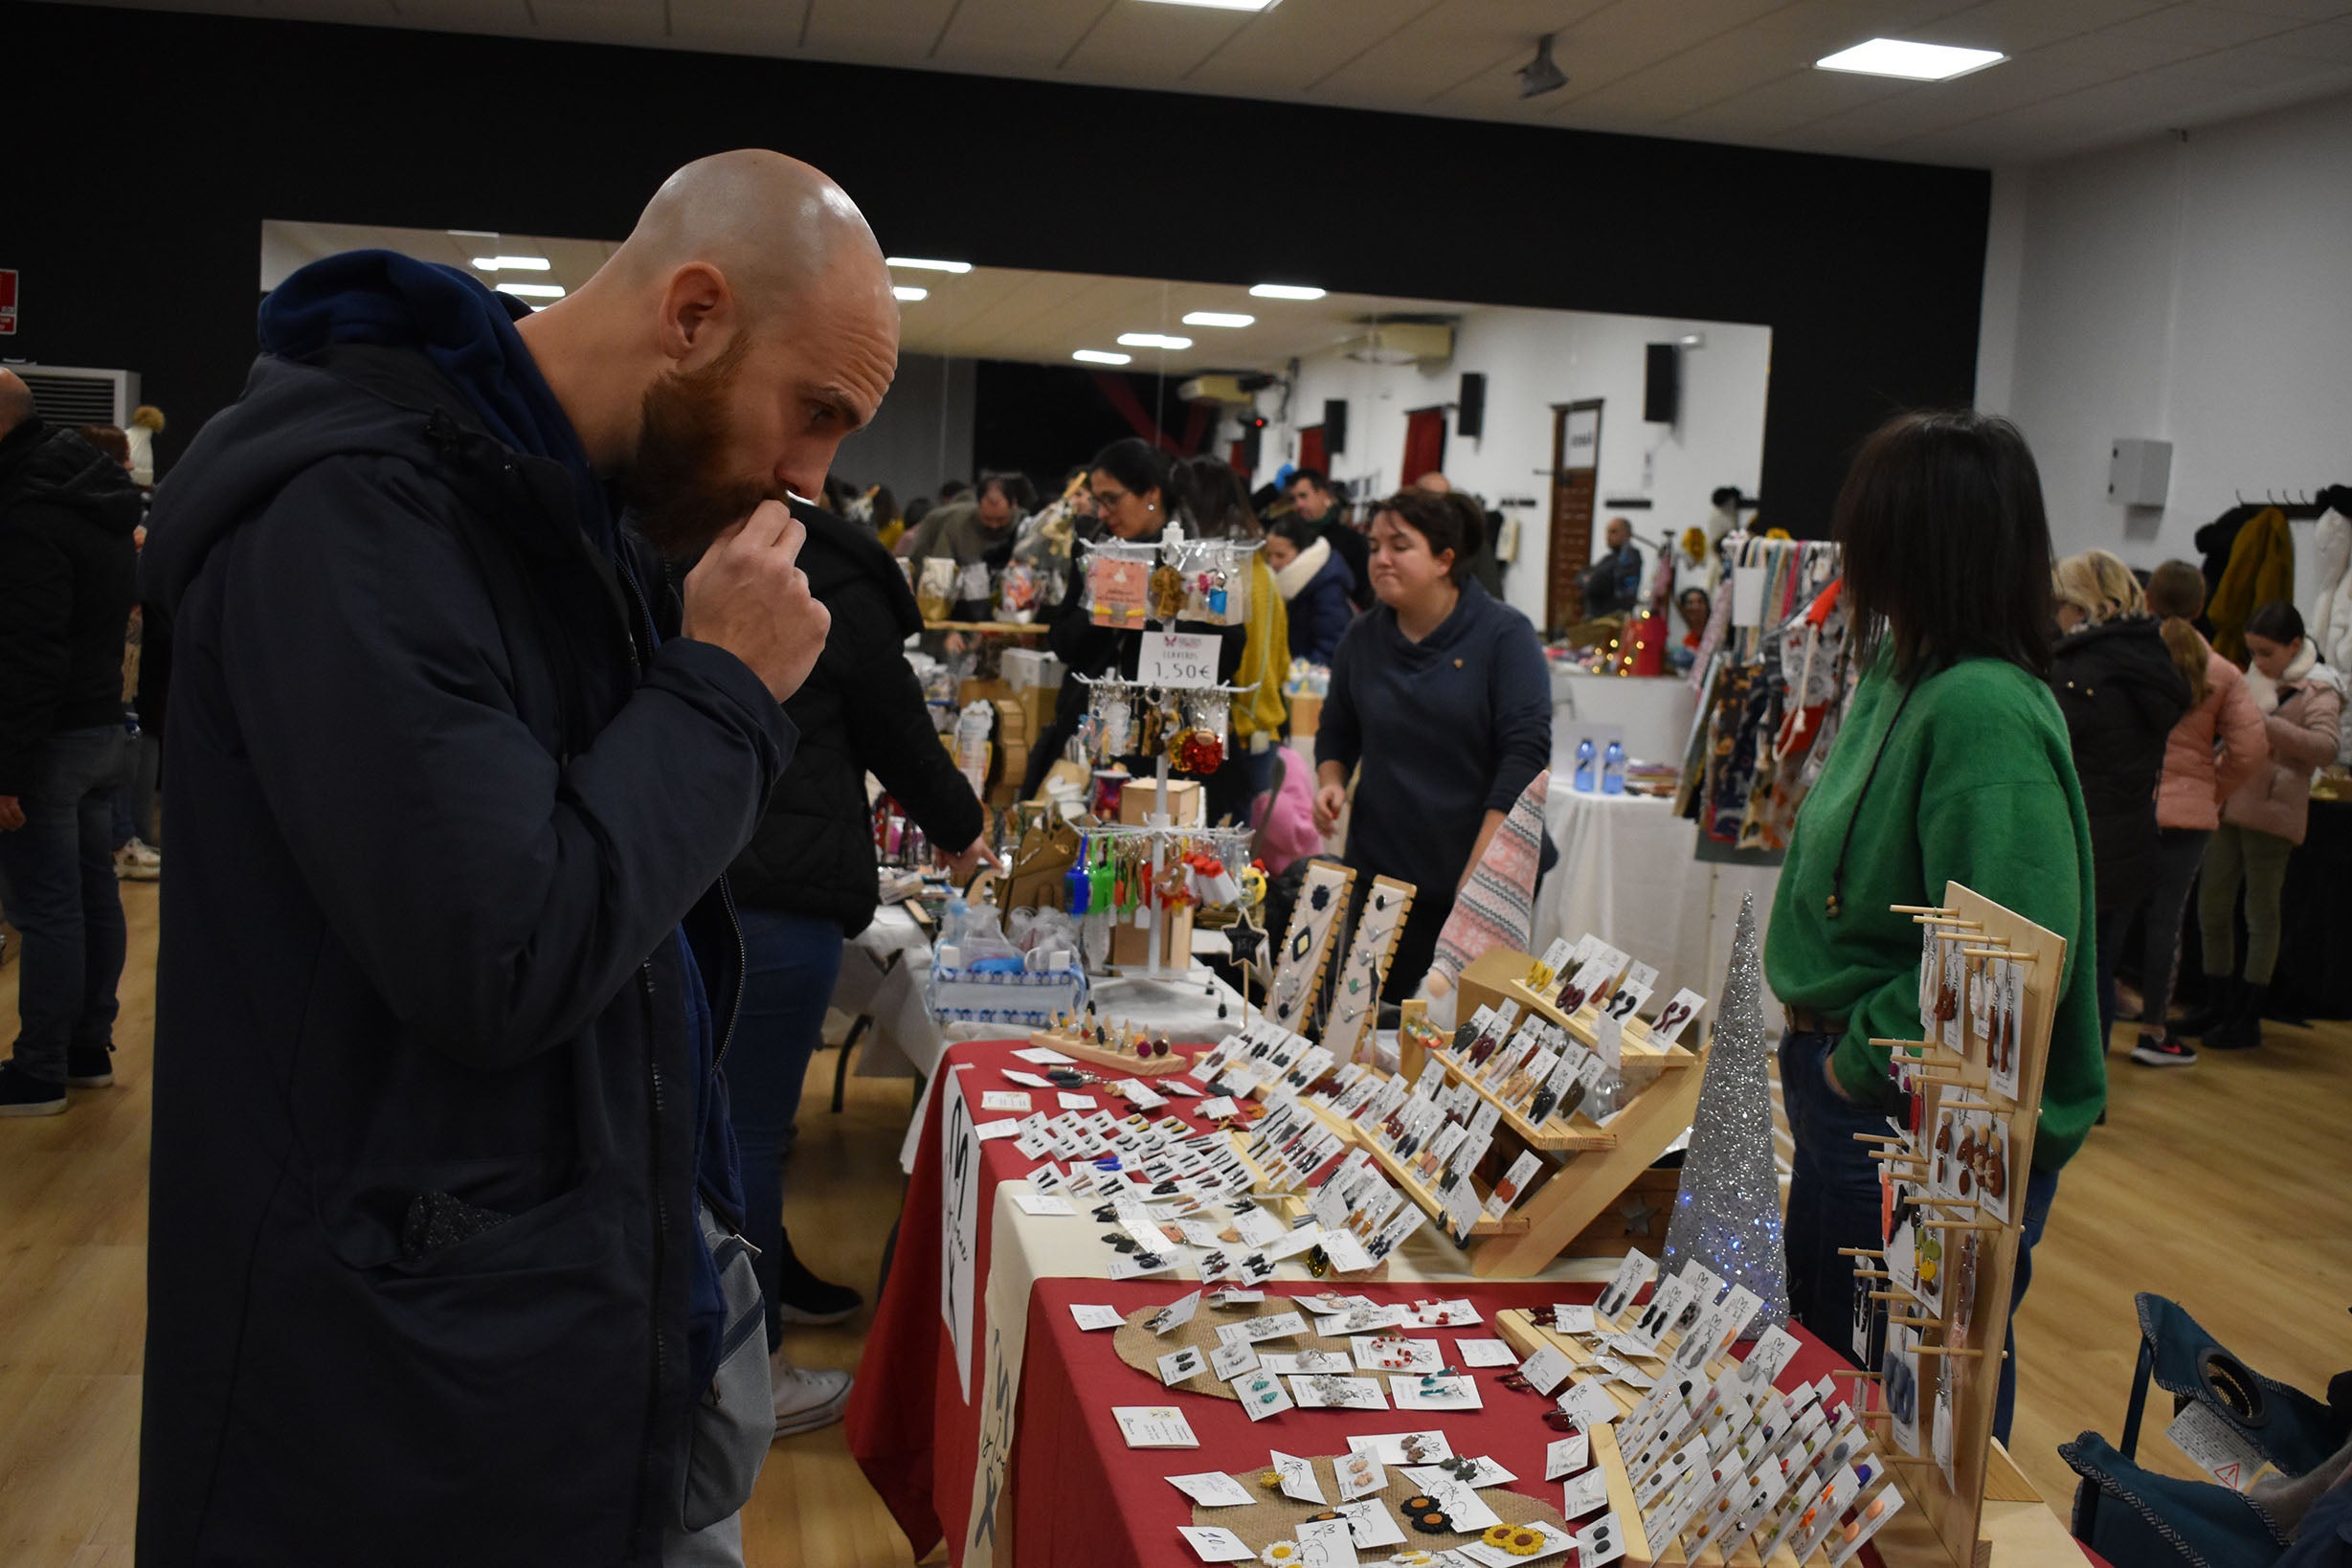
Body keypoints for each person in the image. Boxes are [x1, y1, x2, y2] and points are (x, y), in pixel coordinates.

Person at [136, 150, 884, 1567]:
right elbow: (507, 946)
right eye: (817, 412)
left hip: (539, 1321)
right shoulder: (357, 513)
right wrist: (722, 687)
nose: (811, 476)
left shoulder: (555, 518)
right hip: (404, 1384)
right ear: (694, 314)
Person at [1764, 410, 2102, 1445]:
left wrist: (1858, 1058)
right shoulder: (1900, 676)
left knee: (1907, 1423)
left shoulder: (1980, 709)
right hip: (1859, 1094)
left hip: (1907, 1112)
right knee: (1839, 1387)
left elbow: (2003, 951)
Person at [724, 498, 987, 1437]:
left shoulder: (680, 529)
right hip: (775, 887)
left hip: (685, 866)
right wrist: (963, 832)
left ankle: (758, 1308)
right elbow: (898, 732)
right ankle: (751, 1378)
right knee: (744, 1134)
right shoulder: (831, 568)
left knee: (725, 1126)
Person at [1313, 488, 1550, 998]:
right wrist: (1330, 780)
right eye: (1374, 546)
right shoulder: (1362, 636)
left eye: (1399, 546)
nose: (1380, 559)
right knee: (1372, 1031)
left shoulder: (1504, 635)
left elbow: (1524, 756)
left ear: (1445, 559)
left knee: (1455, 1047)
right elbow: (1337, 726)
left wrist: (1481, 876)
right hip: (1383, 876)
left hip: (1474, 876)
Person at [0, 370, 142, 1115]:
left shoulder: (27, 511)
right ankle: (86, 1046)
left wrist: (7, 769)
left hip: (47, 738)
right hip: (99, 723)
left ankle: (40, 1068)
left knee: (48, 907)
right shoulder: (99, 501)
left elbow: (28, 651)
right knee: (92, 895)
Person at [1041, 440, 1246, 794]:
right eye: (1097, 500)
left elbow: (1229, 654)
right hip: (1100, 733)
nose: (1102, 512)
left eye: (1112, 499)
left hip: (1181, 739)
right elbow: (1062, 642)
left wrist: (1161, 610)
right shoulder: (1093, 549)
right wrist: (1104, 607)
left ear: (1151, 493)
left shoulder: (1202, 557)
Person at [2049, 550, 2193, 1050]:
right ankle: (2088, 1093)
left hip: (2073, 838)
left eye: (2058, 603)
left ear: (2081, 606)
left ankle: (2062, 1094)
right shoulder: (2153, 660)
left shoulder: (2082, 668)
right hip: (2126, 836)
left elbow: (2052, 747)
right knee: (2098, 967)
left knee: (2064, 973)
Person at [2124, 561, 2266, 1066]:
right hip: (2186, 816)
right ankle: (2155, 1030)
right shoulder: (2224, 673)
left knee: (2107, 915)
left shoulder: (2126, 657)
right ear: (2202, 608)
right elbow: (2250, 749)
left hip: (2127, 805)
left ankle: (2086, 1024)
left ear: (2147, 600)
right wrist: (2209, 788)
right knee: (2169, 921)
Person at [2194, 600, 2344, 1051]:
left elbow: (2326, 747)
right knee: (2212, 905)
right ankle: (2215, 1001)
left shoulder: (2320, 689)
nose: (2257, 662)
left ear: (2295, 646)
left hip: (2273, 814)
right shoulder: (2251, 680)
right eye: (2252, 652)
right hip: (2230, 802)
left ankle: (2247, 1013)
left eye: (2266, 653)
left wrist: (2266, 726)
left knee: (2260, 915)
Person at [1178, 455, 1288, 821]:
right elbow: (1282, 661)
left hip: (1234, 736)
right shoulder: (1257, 567)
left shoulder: (1219, 576)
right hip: (1258, 730)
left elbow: (1239, 660)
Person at [899, 470, 1034, 618]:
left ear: (1013, 505)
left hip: (1015, 615)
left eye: (1001, 520)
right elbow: (939, 574)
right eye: (988, 519)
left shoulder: (1027, 527)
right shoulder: (955, 526)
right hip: (962, 612)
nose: (994, 525)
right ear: (977, 505)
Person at [1266, 510, 1355, 664]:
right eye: (1269, 555)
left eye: (1280, 555)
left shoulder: (1328, 587)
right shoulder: (1291, 585)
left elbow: (1332, 647)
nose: (1273, 563)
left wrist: (1296, 675)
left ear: (1303, 553)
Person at [1286, 465, 1371, 611]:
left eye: (1303, 496)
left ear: (1322, 494)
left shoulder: (1350, 540)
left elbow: (1363, 592)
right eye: (1294, 499)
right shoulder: (1288, 537)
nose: (1298, 504)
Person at [1579, 515, 1643, 617]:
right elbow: (1581, 575)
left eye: (1614, 532)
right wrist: (1591, 579)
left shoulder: (1629, 558)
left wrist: (1591, 580)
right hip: (1598, 619)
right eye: (1607, 532)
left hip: (1612, 621)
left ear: (1626, 534)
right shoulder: (1609, 558)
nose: (1608, 536)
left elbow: (1594, 586)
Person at [1669, 585, 1711, 673]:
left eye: (1700, 602)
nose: (1696, 606)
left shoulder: (1717, 632)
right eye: (1690, 603)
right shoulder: (1684, 635)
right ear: (1683, 608)